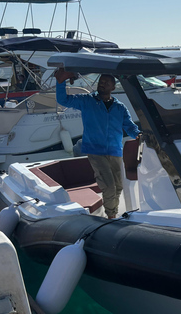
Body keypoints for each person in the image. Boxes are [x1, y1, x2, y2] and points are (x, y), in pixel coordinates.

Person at [55, 69, 141, 219]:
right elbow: (63, 100)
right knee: (109, 186)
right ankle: (111, 217)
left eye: (106, 83)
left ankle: (112, 213)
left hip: (115, 151)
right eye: (101, 82)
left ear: (113, 87)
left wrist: (139, 135)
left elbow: (129, 126)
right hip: (95, 151)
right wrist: (60, 82)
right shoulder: (87, 101)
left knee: (118, 186)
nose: (102, 84)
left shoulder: (120, 107)